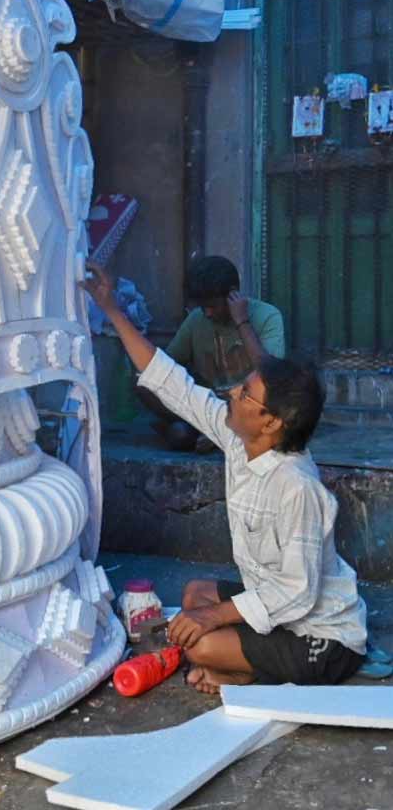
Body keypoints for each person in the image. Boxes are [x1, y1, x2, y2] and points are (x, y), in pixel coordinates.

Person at [84, 262, 367, 694]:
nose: (232, 392)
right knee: (196, 592)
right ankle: (240, 661)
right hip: (280, 611)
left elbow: (298, 593)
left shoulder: (297, 487)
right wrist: (111, 308)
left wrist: (213, 618)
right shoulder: (239, 440)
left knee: (202, 643)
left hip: (322, 637)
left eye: (245, 393)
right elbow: (171, 382)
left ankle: (241, 669)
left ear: (271, 422)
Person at [139, 255, 286, 453]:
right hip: (207, 409)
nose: (207, 313)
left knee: (180, 435)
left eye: (212, 306)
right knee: (145, 384)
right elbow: (167, 365)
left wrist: (241, 321)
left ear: (233, 296)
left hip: (249, 408)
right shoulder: (197, 319)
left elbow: (270, 373)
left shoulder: (268, 316)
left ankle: (217, 433)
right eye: (202, 307)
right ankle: (211, 432)